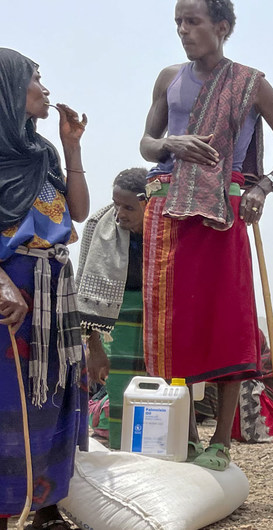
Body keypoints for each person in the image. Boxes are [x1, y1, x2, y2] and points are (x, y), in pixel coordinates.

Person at [138, 0, 273, 471]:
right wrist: (171, 144)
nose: (183, 31)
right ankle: (186, 434)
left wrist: (264, 187)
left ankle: (221, 442)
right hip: (168, 208)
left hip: (223, 211)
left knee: (227, 319)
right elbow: (147, 143)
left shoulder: (252, 84)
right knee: (174, 322)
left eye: (193, 22)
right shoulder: (168, 77)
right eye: (178, 23)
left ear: (223, 26)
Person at [0, 47, 94, 530]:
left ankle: (45, 503)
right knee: (7, 398)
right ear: (10, 88)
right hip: (8, 290)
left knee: (53, 393)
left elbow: (76, 213)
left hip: (54, 288)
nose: (46, 89)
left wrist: (72, 146)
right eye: (36, 79)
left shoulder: (43, 153)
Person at [76, 168, 150, 450]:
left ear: (147, 202)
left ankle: (159, 452)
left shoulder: (167, 227)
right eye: (116, 203)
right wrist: (95, 348)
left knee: (158, 390)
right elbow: (86, 291)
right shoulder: (98, 226)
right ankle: (121, 449)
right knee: (120, 392)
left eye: (129, 207)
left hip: (157, 318)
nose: (119, 214)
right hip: (116, 322)